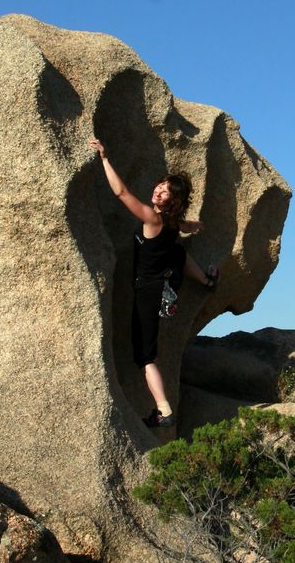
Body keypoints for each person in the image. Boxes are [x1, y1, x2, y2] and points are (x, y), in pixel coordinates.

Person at [90, 138, 218, 428]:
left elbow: (122, 193)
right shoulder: (173, 223)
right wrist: (193, 226)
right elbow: (182, 226)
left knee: (146, 357)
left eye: (165, 192)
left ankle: (164, 410)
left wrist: (104, 158)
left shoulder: (152, 219)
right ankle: (207, 280)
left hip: (148, 292)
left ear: (170, 202)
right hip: (164, 282)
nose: (158, 191)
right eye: (160, 186)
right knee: (177, 250)